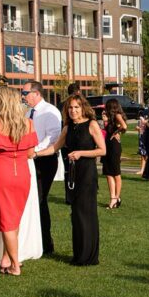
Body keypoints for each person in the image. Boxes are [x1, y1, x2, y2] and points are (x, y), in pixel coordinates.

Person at [0, 85, 38, 276]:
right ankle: (7, 258)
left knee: (7, 219)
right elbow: (31, 153)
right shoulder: (28, 123)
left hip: (1, 172)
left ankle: (15, 264)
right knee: (14, 217)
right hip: (21, 173)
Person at [56, 94, 105, 265]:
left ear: (83, 108)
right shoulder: (67, 128)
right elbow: (54, 147)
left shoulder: (91, 125)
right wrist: (33, 153)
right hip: (73, 174)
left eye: (76, 107)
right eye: (70, 108)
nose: (73, 111)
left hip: (87, 174)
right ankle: (79, 254)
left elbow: (102, 150)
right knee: (76, 214)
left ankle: (89, 256)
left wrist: (80, 153)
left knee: (86, 213)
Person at [25, 81, 63, 255]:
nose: (23, 96)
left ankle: (47, 243)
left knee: (40, 199)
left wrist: (35, 151)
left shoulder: (50, 111)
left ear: (36, 93)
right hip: (31, 158)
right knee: (33, 200)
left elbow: (53, 138)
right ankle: (34, 239)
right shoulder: (28, 112)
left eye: (25, 93)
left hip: (45, 160)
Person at [102, 98, 128, 208]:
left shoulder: (117, 115)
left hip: (114, 147)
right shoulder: (111, 118)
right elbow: (107, 131)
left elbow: (125, 126)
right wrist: (105, 121)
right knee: (109, 173)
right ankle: (113, 197)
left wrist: (117, 132)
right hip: (108, 146)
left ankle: (116, 197)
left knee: (116, 173)